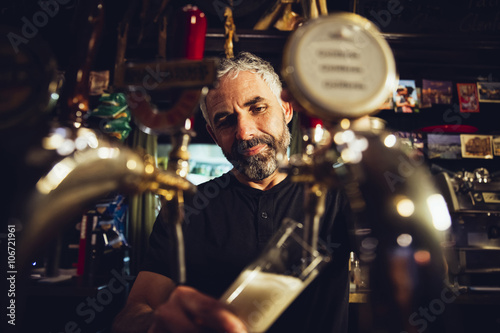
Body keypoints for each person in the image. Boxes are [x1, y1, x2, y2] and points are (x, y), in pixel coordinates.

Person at [112, 52, 352, 333]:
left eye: (257, 108)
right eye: (225, 120)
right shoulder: (186, 208)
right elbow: (134, 310)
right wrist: (153, 325)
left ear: (287, 109)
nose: (245, 132)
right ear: (214, 136)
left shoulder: (338, 197)